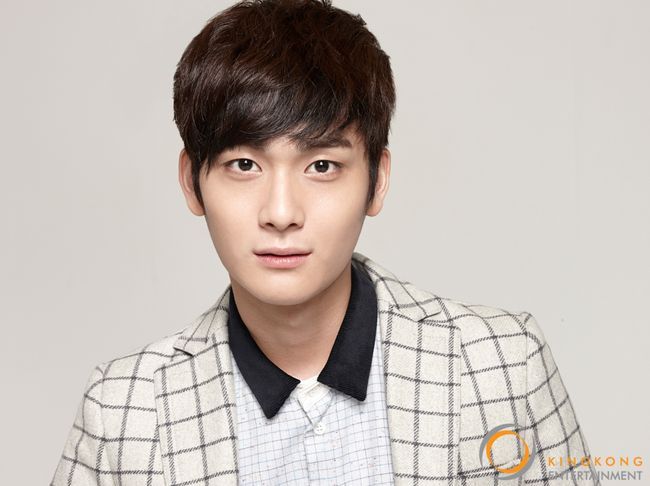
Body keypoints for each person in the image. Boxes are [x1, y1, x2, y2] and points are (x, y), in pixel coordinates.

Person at [51, 1, 600, 484]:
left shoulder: (502, 366)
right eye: (244, 165)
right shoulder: (124, 414)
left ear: (377, 181)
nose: (281, 213)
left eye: (321, 166)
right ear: (191, 182)